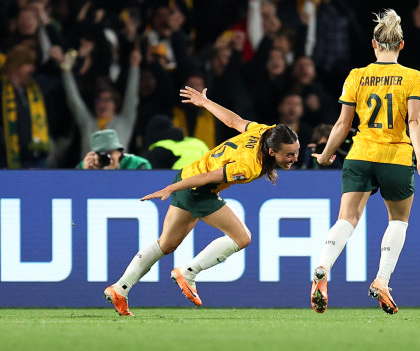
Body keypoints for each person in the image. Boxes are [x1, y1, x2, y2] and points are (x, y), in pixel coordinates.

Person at [104, 86, 299, 316]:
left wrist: (205, 102)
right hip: (198, 188)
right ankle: (188, 272)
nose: (295, 158)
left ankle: (120, 288)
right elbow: (209, 177)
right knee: (242, 237)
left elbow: (234, 121)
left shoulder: (265, 132)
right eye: (289, 154)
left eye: (296, 152)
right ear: (271, 152)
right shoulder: (249, 166)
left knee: (166, 244)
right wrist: (169, 188)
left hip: (188, 176)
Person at [310, 9, 420, 315]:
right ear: (401, 45)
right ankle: (382, 279)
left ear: (374, 44)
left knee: (347, 219)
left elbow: (341, 124)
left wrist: (326, 156)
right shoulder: (412, 77)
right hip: (396, 156)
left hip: (361, 154)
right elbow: (415, 121)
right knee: (398, 220)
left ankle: (323, 266)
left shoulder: (357, 75)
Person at [77, 129, 151, 170]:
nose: (107, 157)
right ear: (94, 155)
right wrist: (85, 174)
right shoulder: (87, 165)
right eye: (101, 154)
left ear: (119, 152)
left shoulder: (138, 164)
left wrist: (113, 175)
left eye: (110, 153)